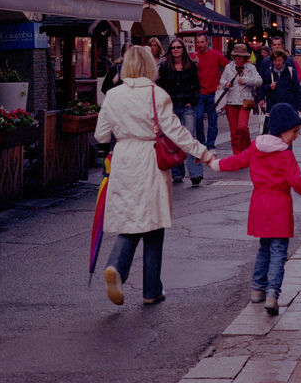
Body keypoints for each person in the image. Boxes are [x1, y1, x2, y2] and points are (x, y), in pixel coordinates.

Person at [94, 46, 209, 306]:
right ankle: (150, 289)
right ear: (149, 66)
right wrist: (203, 153)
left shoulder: (112, 96)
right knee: (154, 223)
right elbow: (177, 132)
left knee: (130, 218)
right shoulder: (157, 94)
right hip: (150, 158)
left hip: (123, 157)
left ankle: (116, 266)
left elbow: (101, 135)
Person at [206, 103, 301, 315]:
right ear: (282, 130)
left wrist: (216, 165)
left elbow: (237, 161)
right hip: (279, 206)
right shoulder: (285, 155)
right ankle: (272, 294)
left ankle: (257, 290)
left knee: (264, 248)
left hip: (259, 204)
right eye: (294, 132)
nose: (296, 136)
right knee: (279, 251)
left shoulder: (256, 147)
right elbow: (297, 182)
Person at [158, 38, 201, 184]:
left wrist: (193, 102)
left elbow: (197, 86)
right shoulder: (165, 67)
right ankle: (177, 173)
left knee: (189, 137)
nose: (175, 50)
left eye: (178, 47)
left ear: (183, 49)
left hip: (187, 105)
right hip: (172, 106)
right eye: (173, 48)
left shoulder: (190, 66)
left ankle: (195, 173)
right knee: (174, 138)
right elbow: (161, 86)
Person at [217, 43, 263, 155]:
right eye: (236, 55)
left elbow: (259, 81)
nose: (238, 57)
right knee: (234, 131)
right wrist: (226, 83)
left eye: (241, 55)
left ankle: (247, 151)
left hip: (246, 101)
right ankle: (237, 155)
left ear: (245, 56)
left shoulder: (251, 68)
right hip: (231, 101)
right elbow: (221, 80)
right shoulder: (228, 67)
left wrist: (245, 79)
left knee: (242, 127)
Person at [193, 32, 228, 166]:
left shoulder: (216, 54)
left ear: (207, 42)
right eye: (198, 42)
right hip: (200, 92)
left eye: (202, 42)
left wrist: (222, 82)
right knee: (198, 118)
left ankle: (211, 145)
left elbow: (227, 66)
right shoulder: (194, 57)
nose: (200, 45)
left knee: (213, 121)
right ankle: (202, 144)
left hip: (214, 91)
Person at [261, 49, 301, 114]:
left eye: (279, 60)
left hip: (290, 106)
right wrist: (269, 86)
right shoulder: (269, 72)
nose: (277, 63)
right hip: (274, 107)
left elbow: (297, 90)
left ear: (284, 60)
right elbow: (263, 88)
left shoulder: (291, 72)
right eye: (275, 61)